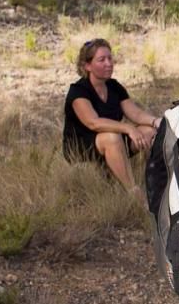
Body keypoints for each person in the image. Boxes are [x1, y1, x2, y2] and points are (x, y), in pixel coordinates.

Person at [62, 38, 161, 199]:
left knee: (149, 132)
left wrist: (156, 121)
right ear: (87, 66)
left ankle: (157, 178)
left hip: (113, 138)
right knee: (112, 138)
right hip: (83, 146)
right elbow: (93, 123)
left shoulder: (114, 86)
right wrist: (129, 128)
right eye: (101, 60)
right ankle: (133, 193)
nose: (109, 63)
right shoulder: (78, 91)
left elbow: (135, 113)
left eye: (110, 58)